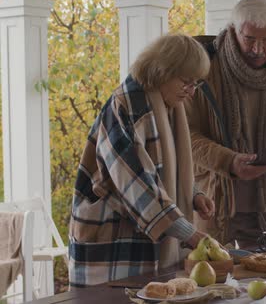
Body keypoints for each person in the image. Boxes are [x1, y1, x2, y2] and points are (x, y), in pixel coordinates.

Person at [68, 34, 215, 287]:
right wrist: (188, 233)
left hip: (140, 237)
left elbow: (165, 167)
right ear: (161, 70)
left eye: (196, 84)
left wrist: (192, 193)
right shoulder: (126, 105)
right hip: (112, 239)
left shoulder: (167, 104)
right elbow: (135, 183)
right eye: (186, 82)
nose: (191, 92)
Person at [185, 0, 266, 246]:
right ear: (234, 31)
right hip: (217, 212)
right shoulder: (203, 72)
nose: (258, 49)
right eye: (249, 39)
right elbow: (185, 137)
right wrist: (229, 162)